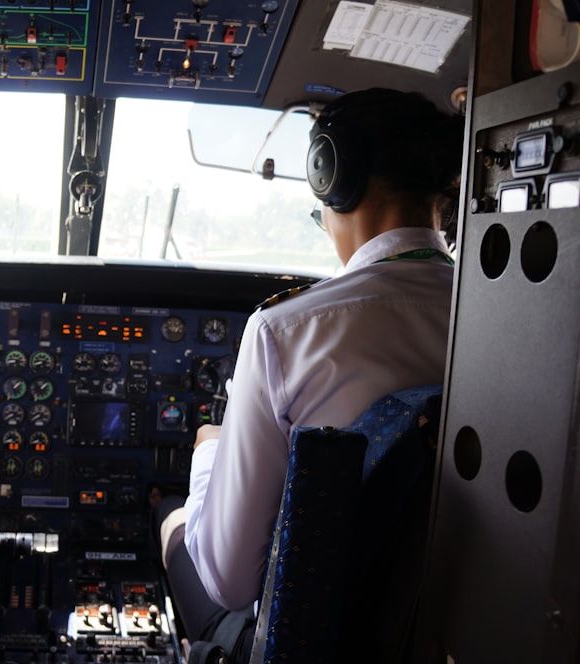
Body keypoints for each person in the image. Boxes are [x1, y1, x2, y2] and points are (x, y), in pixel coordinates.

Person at [153, 87, 465, 661]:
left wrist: (207, 456)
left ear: (331, 176)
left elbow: (228, 579)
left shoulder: (286, 331)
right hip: (461, 630)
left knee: (173, 519)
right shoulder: (511, 326)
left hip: (312, 642)